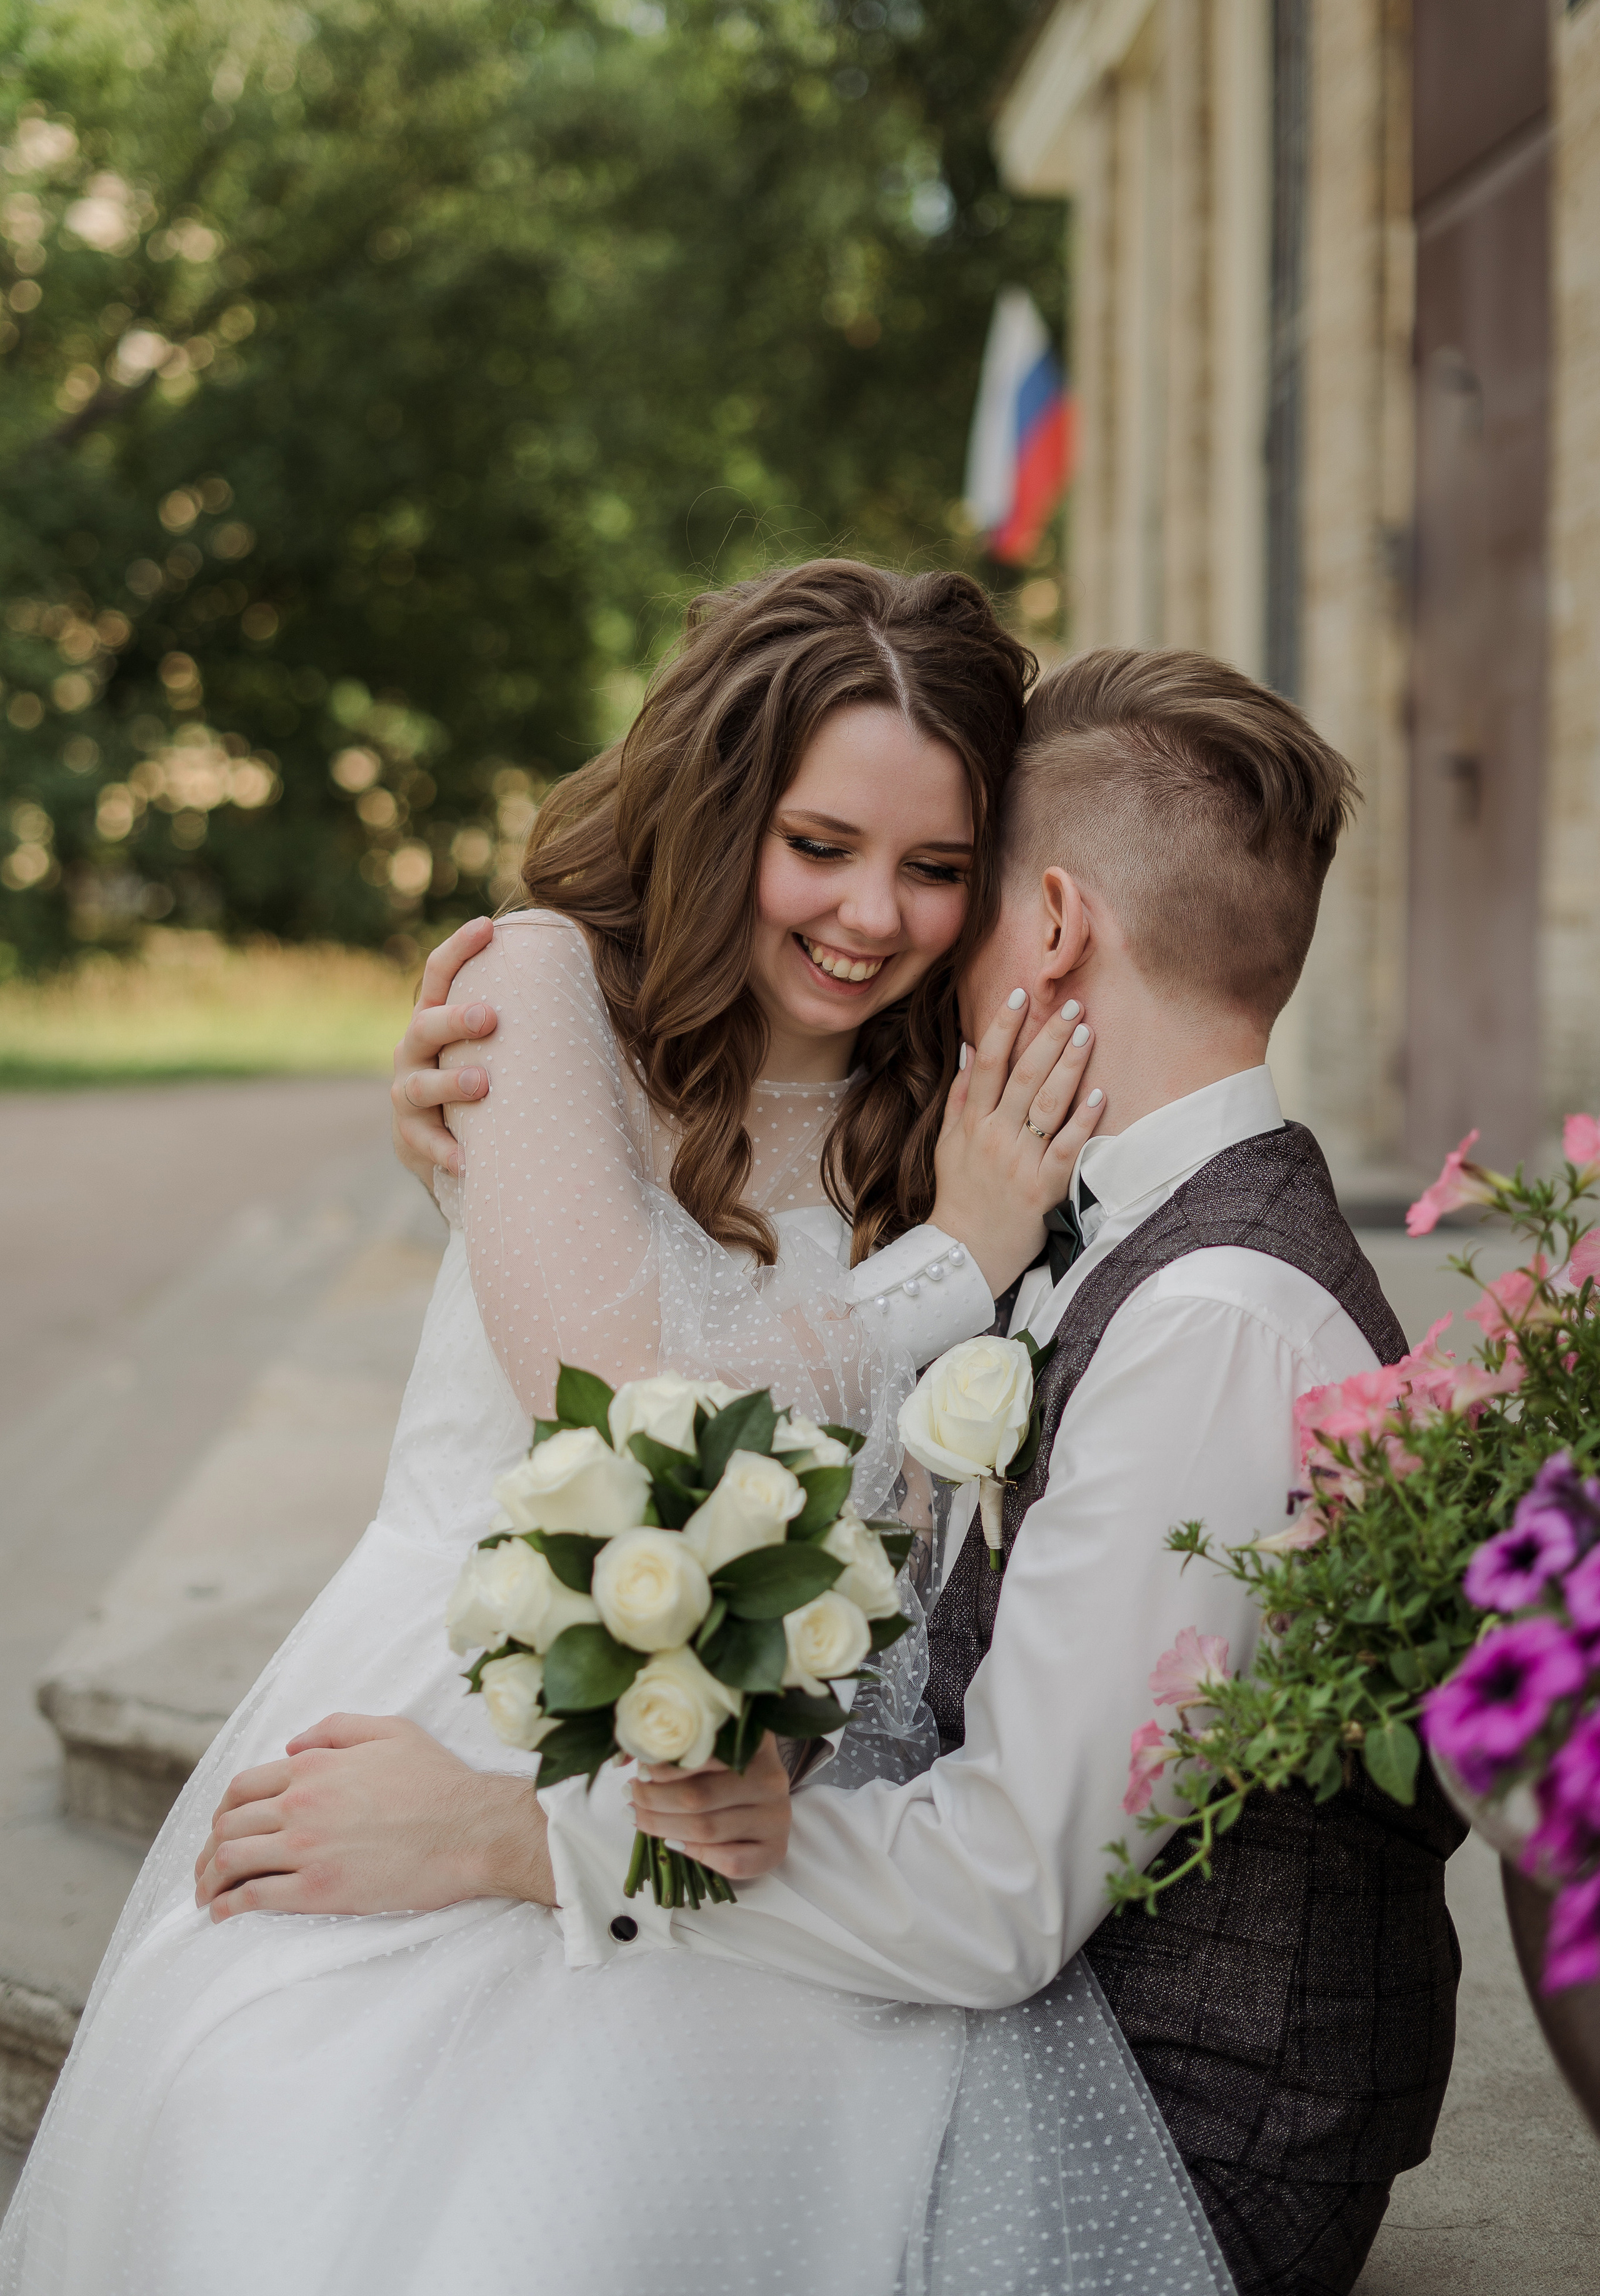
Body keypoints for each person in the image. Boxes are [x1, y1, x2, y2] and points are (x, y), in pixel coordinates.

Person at [0, 567, 1227, 2296]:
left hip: (762, 1753)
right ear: (720, 809)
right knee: (305, 2152)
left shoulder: (947, 1078)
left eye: (935, 868)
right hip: (468, 1688)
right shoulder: (545, 978)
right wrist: (956, 1263)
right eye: (820, 844)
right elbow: (621, 1383)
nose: (873, 915)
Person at [397, 647, 1466, 2296]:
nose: (905, 949)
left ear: (1046, 928)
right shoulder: (1114, 1218)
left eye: (954, 897)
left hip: (1184, 2149)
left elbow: (990, 1901)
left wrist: (516, 1840)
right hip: (1076, 2017)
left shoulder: (1213, 1320)